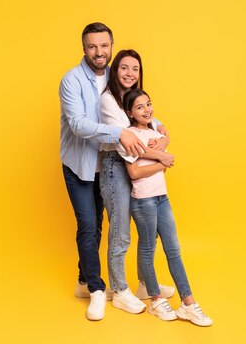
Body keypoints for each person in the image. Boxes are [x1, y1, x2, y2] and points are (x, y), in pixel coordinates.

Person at [59, 22, 145, 321]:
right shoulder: (71, 80)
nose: (99, 52)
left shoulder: (116, 75)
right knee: (89, 225)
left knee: (112, 224)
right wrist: (119, 133)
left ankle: (84, 281)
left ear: (111, 46)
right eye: (93, 46)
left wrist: (156, 125)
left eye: (104, 46)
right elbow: (79, 125)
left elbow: (133, 108)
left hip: (109, 166)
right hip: (80, 165)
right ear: (84, 48)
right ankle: (97, 289)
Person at [120, 88, 213, 326]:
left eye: (148, 104)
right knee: (148, 249)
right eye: (139, 107)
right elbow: (134, 172)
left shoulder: (154, 133)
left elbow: (161, 151)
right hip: (143, 200)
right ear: (130, 112)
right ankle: (155, 299)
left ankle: (188, 303)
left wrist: (162, 145)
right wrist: (162, 162)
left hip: (162, 197)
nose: (146, 110)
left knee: (173, 249)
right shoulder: (128, 136)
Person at [98, 49, 176, 315]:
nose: (130, 74)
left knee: (148, 230)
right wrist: (164, 155)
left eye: (135, 69)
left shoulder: (134, 98)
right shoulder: (109, 100)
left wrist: (163, 137)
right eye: (124, 68)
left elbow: (155, 122)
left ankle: (146, 283)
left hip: (139, 164)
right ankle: (120, 290)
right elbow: (131, 144)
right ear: (114, 70)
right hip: (115, 165)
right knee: (120, 230)